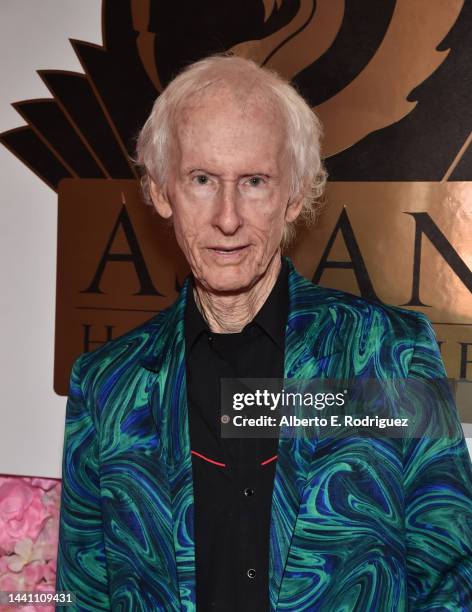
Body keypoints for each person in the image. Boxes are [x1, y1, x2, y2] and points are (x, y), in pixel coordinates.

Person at [55, 54, 472, 611]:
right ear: (159, 192)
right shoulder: (107, 385)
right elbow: (83, 595)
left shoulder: (387, 355)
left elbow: (453, 580)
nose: (227, 218)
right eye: (202, 179)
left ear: (294, 196)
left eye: (254, 181)